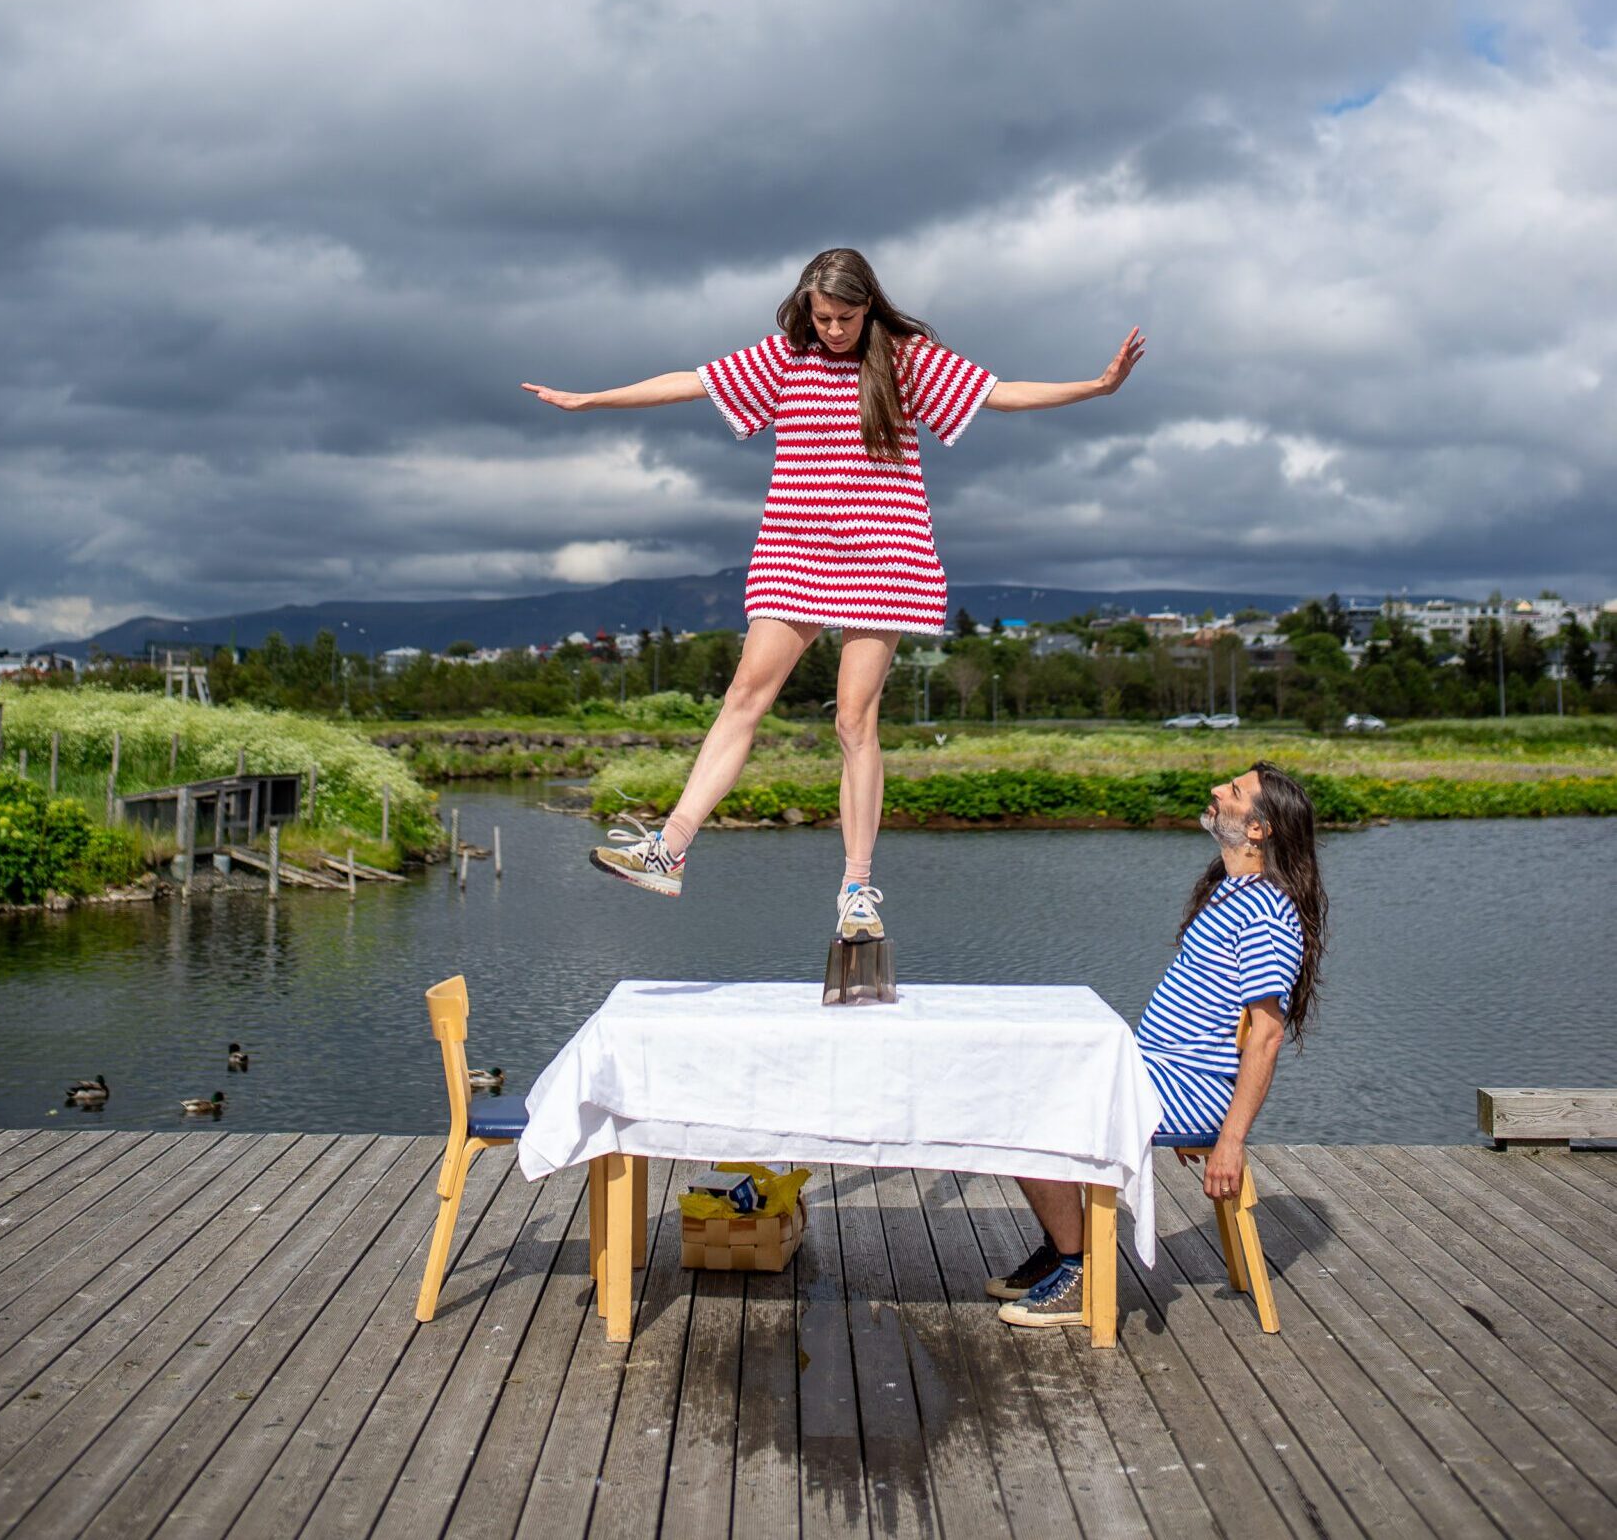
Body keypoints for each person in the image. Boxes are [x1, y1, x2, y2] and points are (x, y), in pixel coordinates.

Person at [523, 246, 1145, 940]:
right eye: (823, 317)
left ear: (868, 306)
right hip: (793, 552)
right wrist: (591, 399)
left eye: (846, 317)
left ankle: (856, 892)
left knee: (854, 722)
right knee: (743, 699)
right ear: (806, 310)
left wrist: (1095, 387)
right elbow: (691, 381)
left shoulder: (905, 359)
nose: (834, 330)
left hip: (883, 556)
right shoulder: (786, 358)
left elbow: (999, 392)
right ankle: (667, 850)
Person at [992, 760, 1327, 1327]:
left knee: (1027, 1110)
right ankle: (1065, 1244)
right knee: (1028, 1083)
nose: (1218, 790)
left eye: (1237, 791)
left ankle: (1078, 1273)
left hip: (1192, 1089)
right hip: (1167, 1077)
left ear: (1258, 829)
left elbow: (1265, 1037)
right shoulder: (1231, 891)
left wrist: (1229, 1139)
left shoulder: (1268, 911)